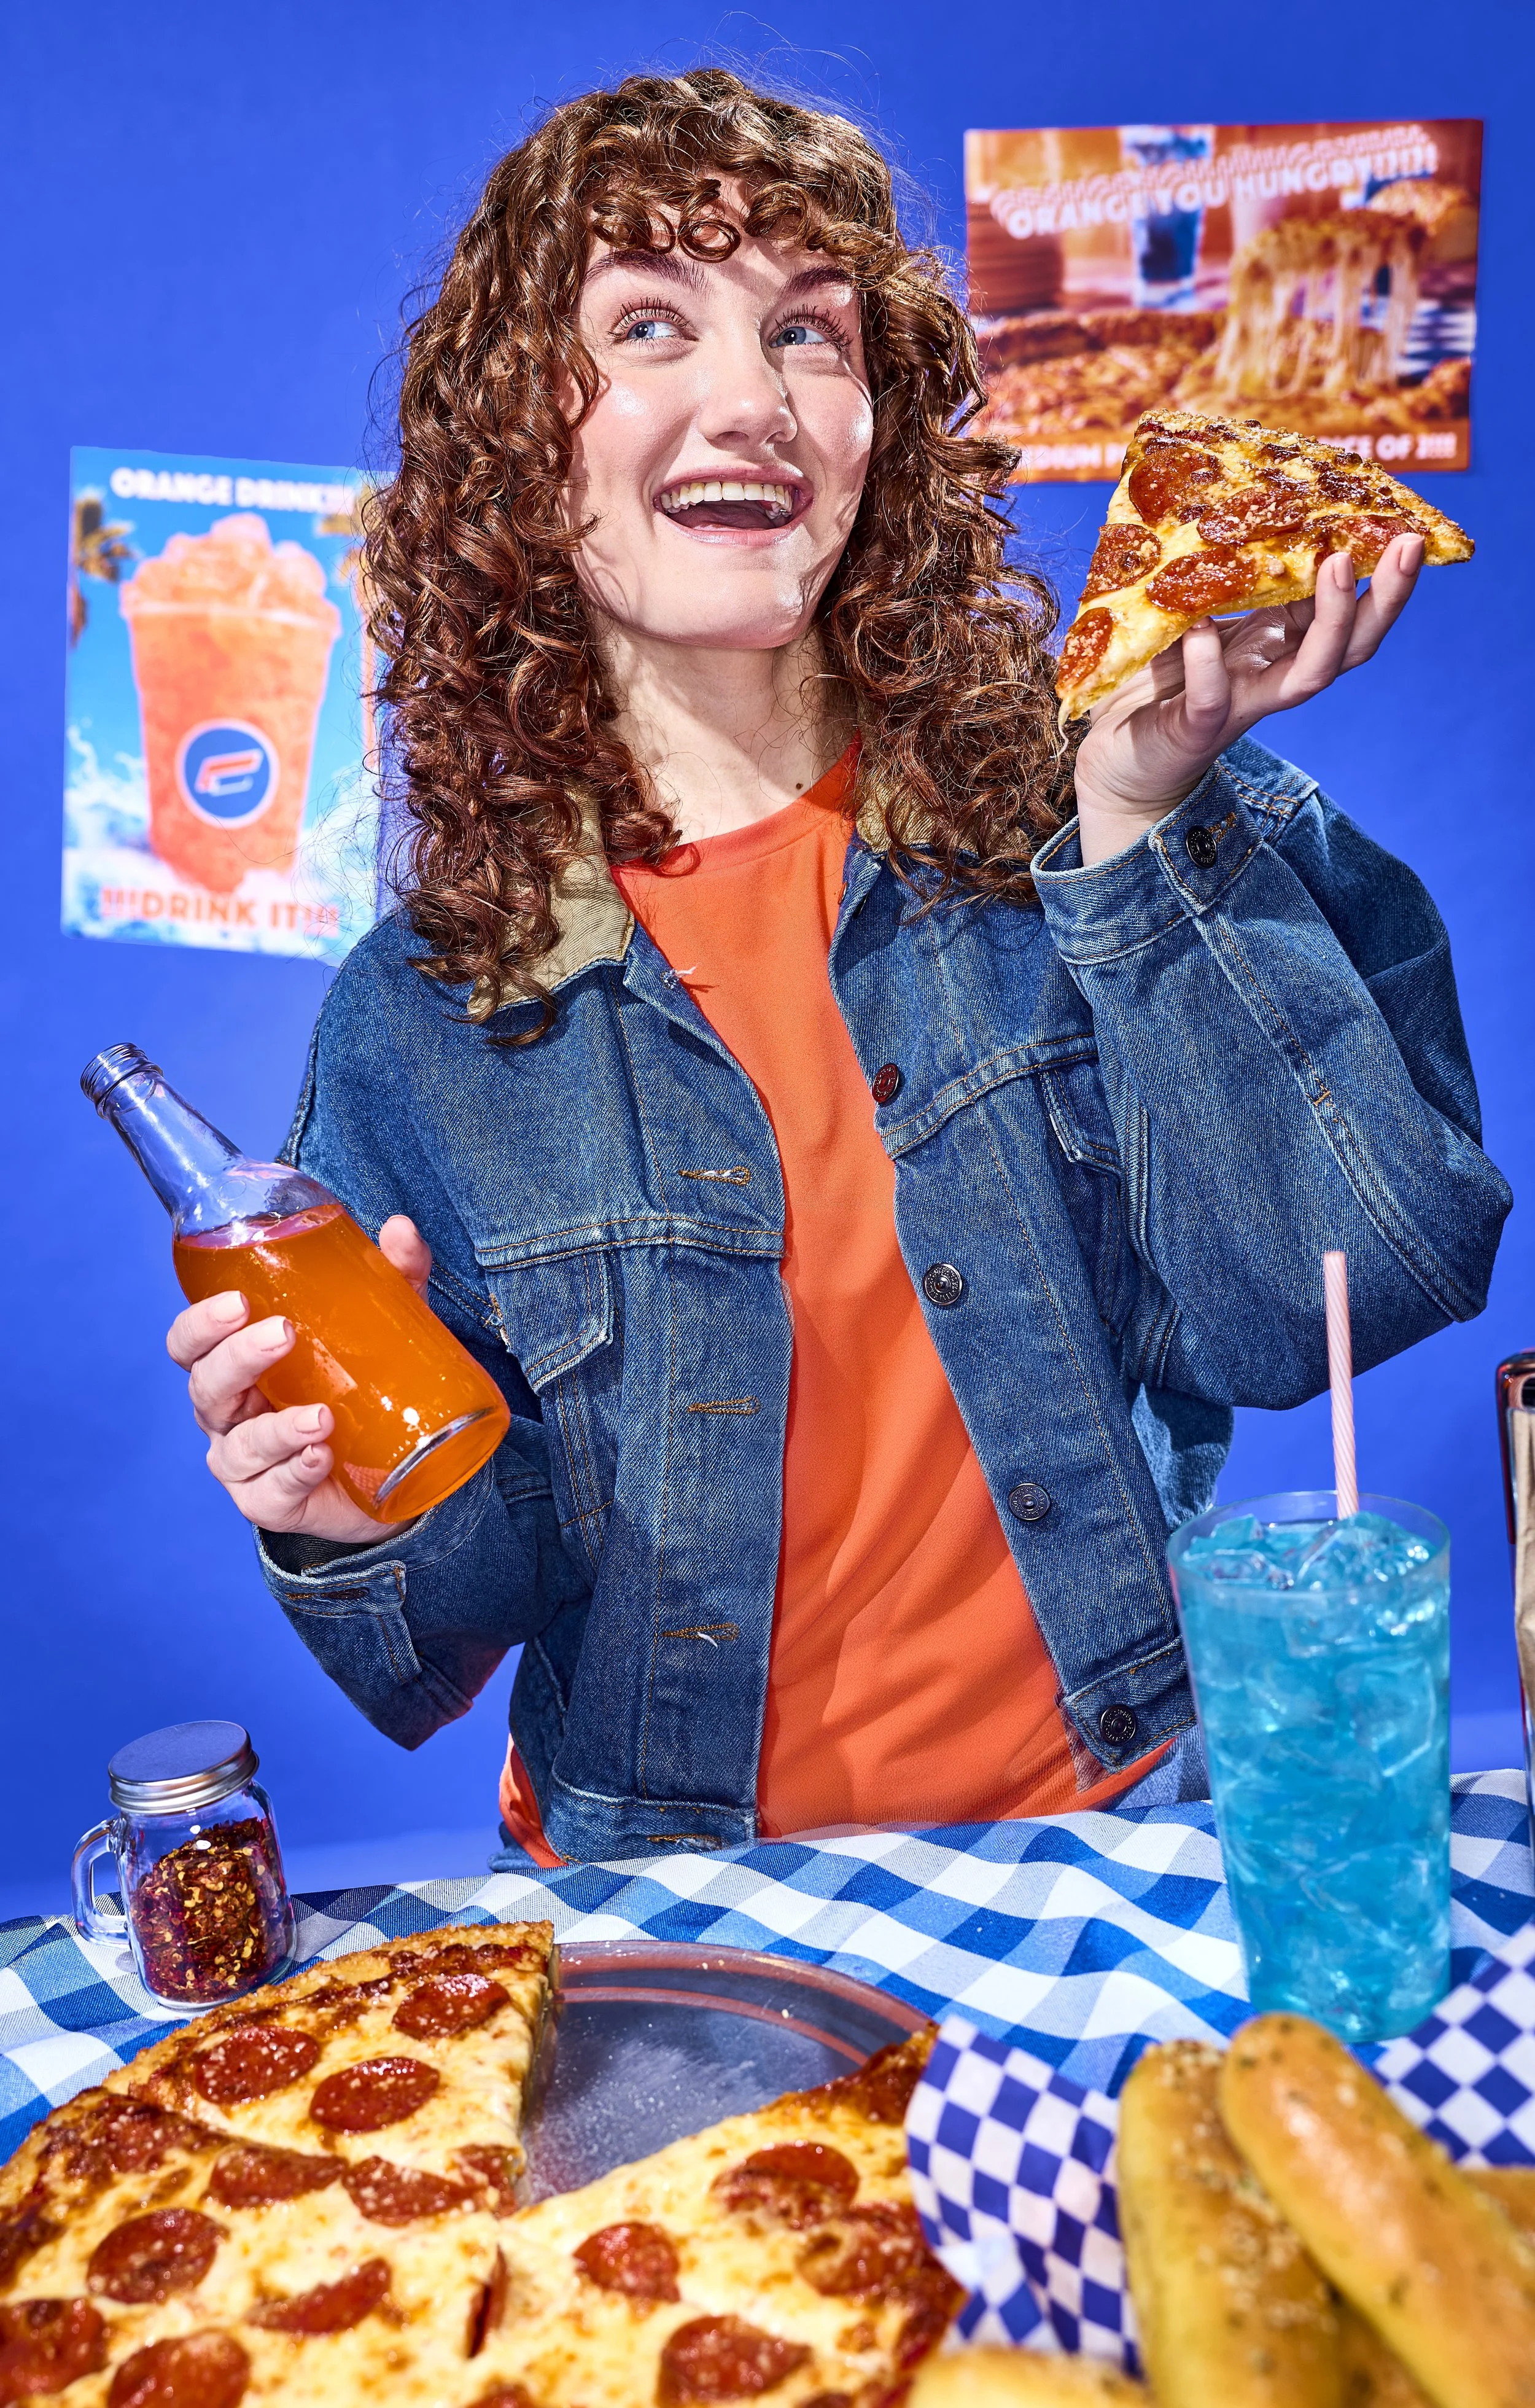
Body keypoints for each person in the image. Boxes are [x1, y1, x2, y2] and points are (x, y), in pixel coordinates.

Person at [167, 71, 1509, 1867]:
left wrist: (1140, 835)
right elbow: (442, 1643)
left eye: (810, 333)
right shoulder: (426, 1007)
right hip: (668, 1892)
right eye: (650, 322)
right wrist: (351, 1526)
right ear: (518, 447)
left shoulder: (1110, 789)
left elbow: (1346, 1292)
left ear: (876, 423)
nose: (753, 398)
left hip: (1104, 1836)